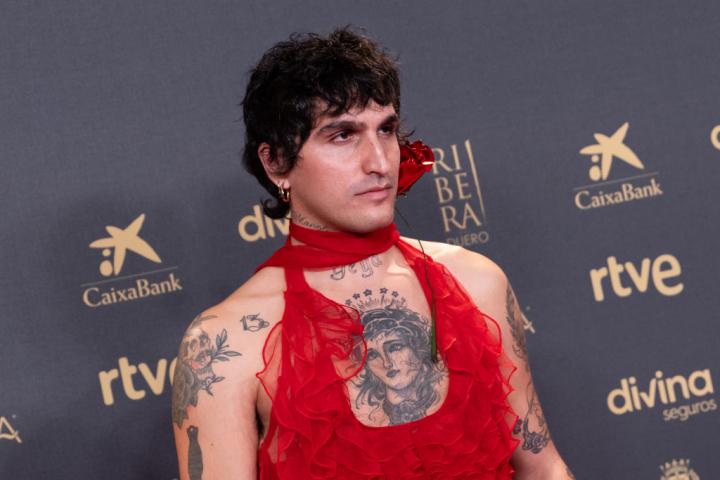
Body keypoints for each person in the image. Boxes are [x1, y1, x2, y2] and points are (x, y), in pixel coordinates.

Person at [172, 27, 575, 479]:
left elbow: (543, 469)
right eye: (343, 136)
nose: (380, 162)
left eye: (386, 130)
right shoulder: (224, 342)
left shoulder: (477, 281)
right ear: (277, 162)